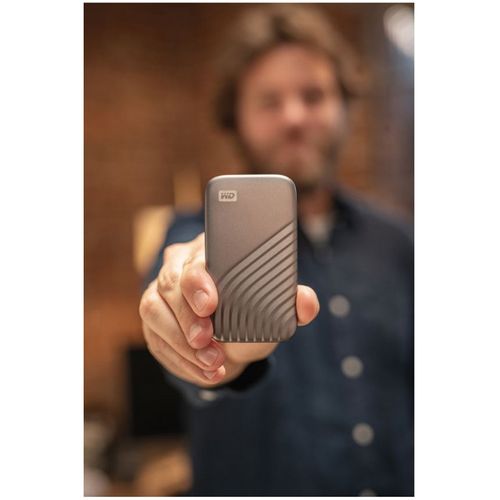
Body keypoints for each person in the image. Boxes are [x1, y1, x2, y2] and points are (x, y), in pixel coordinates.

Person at [139, 4, 413, 496]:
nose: (294, 117)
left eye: (314, 95)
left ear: (344, 105)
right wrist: (206, 349)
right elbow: (173, 311)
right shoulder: (191, 236)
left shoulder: (399, 243)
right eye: (269, 100)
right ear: (236, 118)